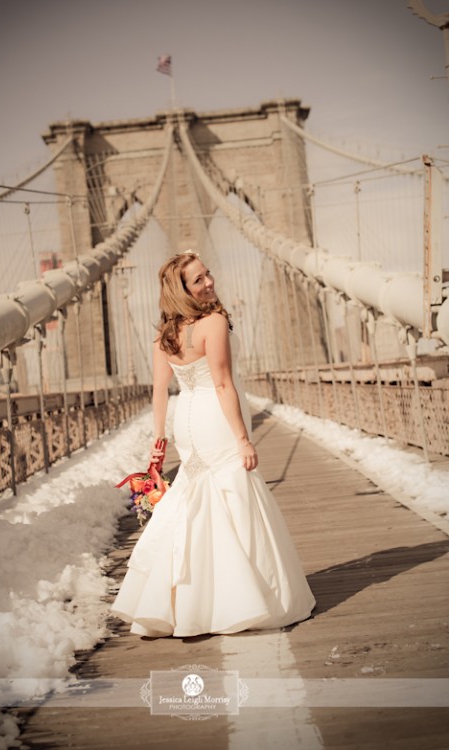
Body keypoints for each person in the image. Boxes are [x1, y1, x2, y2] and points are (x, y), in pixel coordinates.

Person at [110, 251, 315, 637]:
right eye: (199, 280)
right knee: (234, 497)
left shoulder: (164, 334)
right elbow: (222, 384)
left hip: (186, 419)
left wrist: (160, 438)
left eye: (208, 274)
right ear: (183, 289)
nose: (209, 283)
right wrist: (242, 438)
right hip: (215, 419)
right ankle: (242, 601)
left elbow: (159, 390)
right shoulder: (213, 322)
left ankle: (186, 604)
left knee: (194, 503)